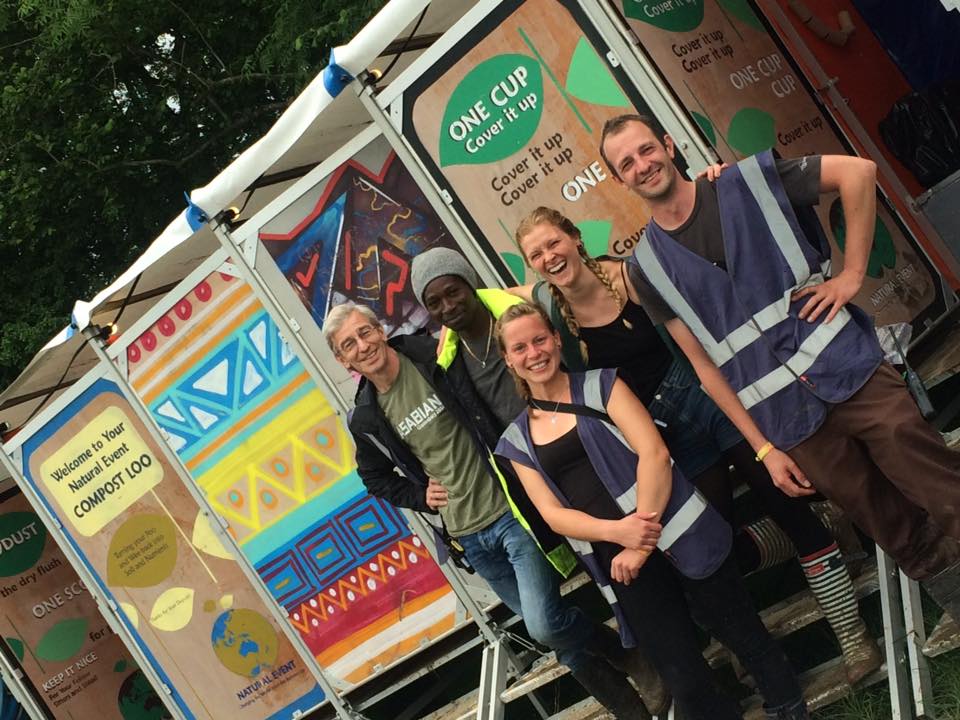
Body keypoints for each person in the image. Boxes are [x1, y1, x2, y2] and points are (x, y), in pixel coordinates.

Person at [599, 113, 960, 620]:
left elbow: (857, 174)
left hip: (848, 372)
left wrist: (851, 274)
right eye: (627, 163)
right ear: (619, 180)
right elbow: (705, 367)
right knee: (889, 526)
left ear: (668, 143)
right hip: (788, 421)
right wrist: (764, 449)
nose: (642, 165)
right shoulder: (646, 269)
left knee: (939, 482)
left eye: (645, 150)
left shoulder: (745, 182)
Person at [509, 206, 880, 682]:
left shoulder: (633, 278)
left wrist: (762, 444)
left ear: (575, 238)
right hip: (664, 433)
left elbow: (700, 356)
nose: (549, 256)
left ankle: (853, 637)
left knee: (787, 500)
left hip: (709, 400)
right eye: (536, 253)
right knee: (713, 550)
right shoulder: (551, 314)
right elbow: (491, 301)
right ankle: (805, 564)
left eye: (553, 243)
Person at [324, 299, 665, 720]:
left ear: (379, 330)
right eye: (349, 344)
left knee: (542, 625)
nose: (362, 346)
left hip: (507, 512)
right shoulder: (366, 417)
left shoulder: (435, 356)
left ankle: (629, 657)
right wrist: (418, 495)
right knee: (555, 635)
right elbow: (373, 477)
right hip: (467, 536)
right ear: (342, 359)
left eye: (365, 332)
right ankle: (629, 704)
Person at [493, 302, 809, 720]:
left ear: (555, 337)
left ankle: (789, 707)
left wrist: (638, 538)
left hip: (674, 526)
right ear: (507, 359)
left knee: (741, 630)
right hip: (619, 559)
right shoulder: (516, 442)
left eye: (539, 339)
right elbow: (552, 514)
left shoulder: (604, 386)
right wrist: (618, 535)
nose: (533, 353)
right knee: (683, 675)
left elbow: (655, 454)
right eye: (520, 348)